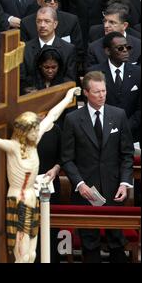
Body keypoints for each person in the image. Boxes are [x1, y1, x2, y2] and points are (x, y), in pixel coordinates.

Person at [0, 86, 81, 262]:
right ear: (24, 132)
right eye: (34, 130)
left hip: (33, 196)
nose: (38, 132)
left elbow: (52, 115)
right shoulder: (14, 147)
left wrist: (68, 97)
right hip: (18, 198)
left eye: (37, 129)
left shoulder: (34, 140)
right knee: (22, 254)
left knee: (33, 253)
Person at [61, 71, 134, 263]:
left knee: (117, 243)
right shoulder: (73, 119)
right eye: (96, 92)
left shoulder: (118, 115)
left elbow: (127, 155)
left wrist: (125, 183)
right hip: (86, 192)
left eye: (104, 91)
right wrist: (80, 184)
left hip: (114, 190)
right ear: (86, 92)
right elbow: (67, 159)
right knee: (90, 245)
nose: (102, 95)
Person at [87, 31, 140, 142]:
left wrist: (125, 128)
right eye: (120, 48)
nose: (125, 50)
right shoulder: (94, 73)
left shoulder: (138, 73)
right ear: (107, 51)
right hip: (103, 135)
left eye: (127, 47)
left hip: (132, 135)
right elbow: (91, 106)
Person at [20, 7, 77, 93]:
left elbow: (69, 80)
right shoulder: (25, 49)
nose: (42, 25)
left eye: (47, 21)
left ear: (55, 24)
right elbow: (22, 79)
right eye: (39, 21)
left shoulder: (68, 49)